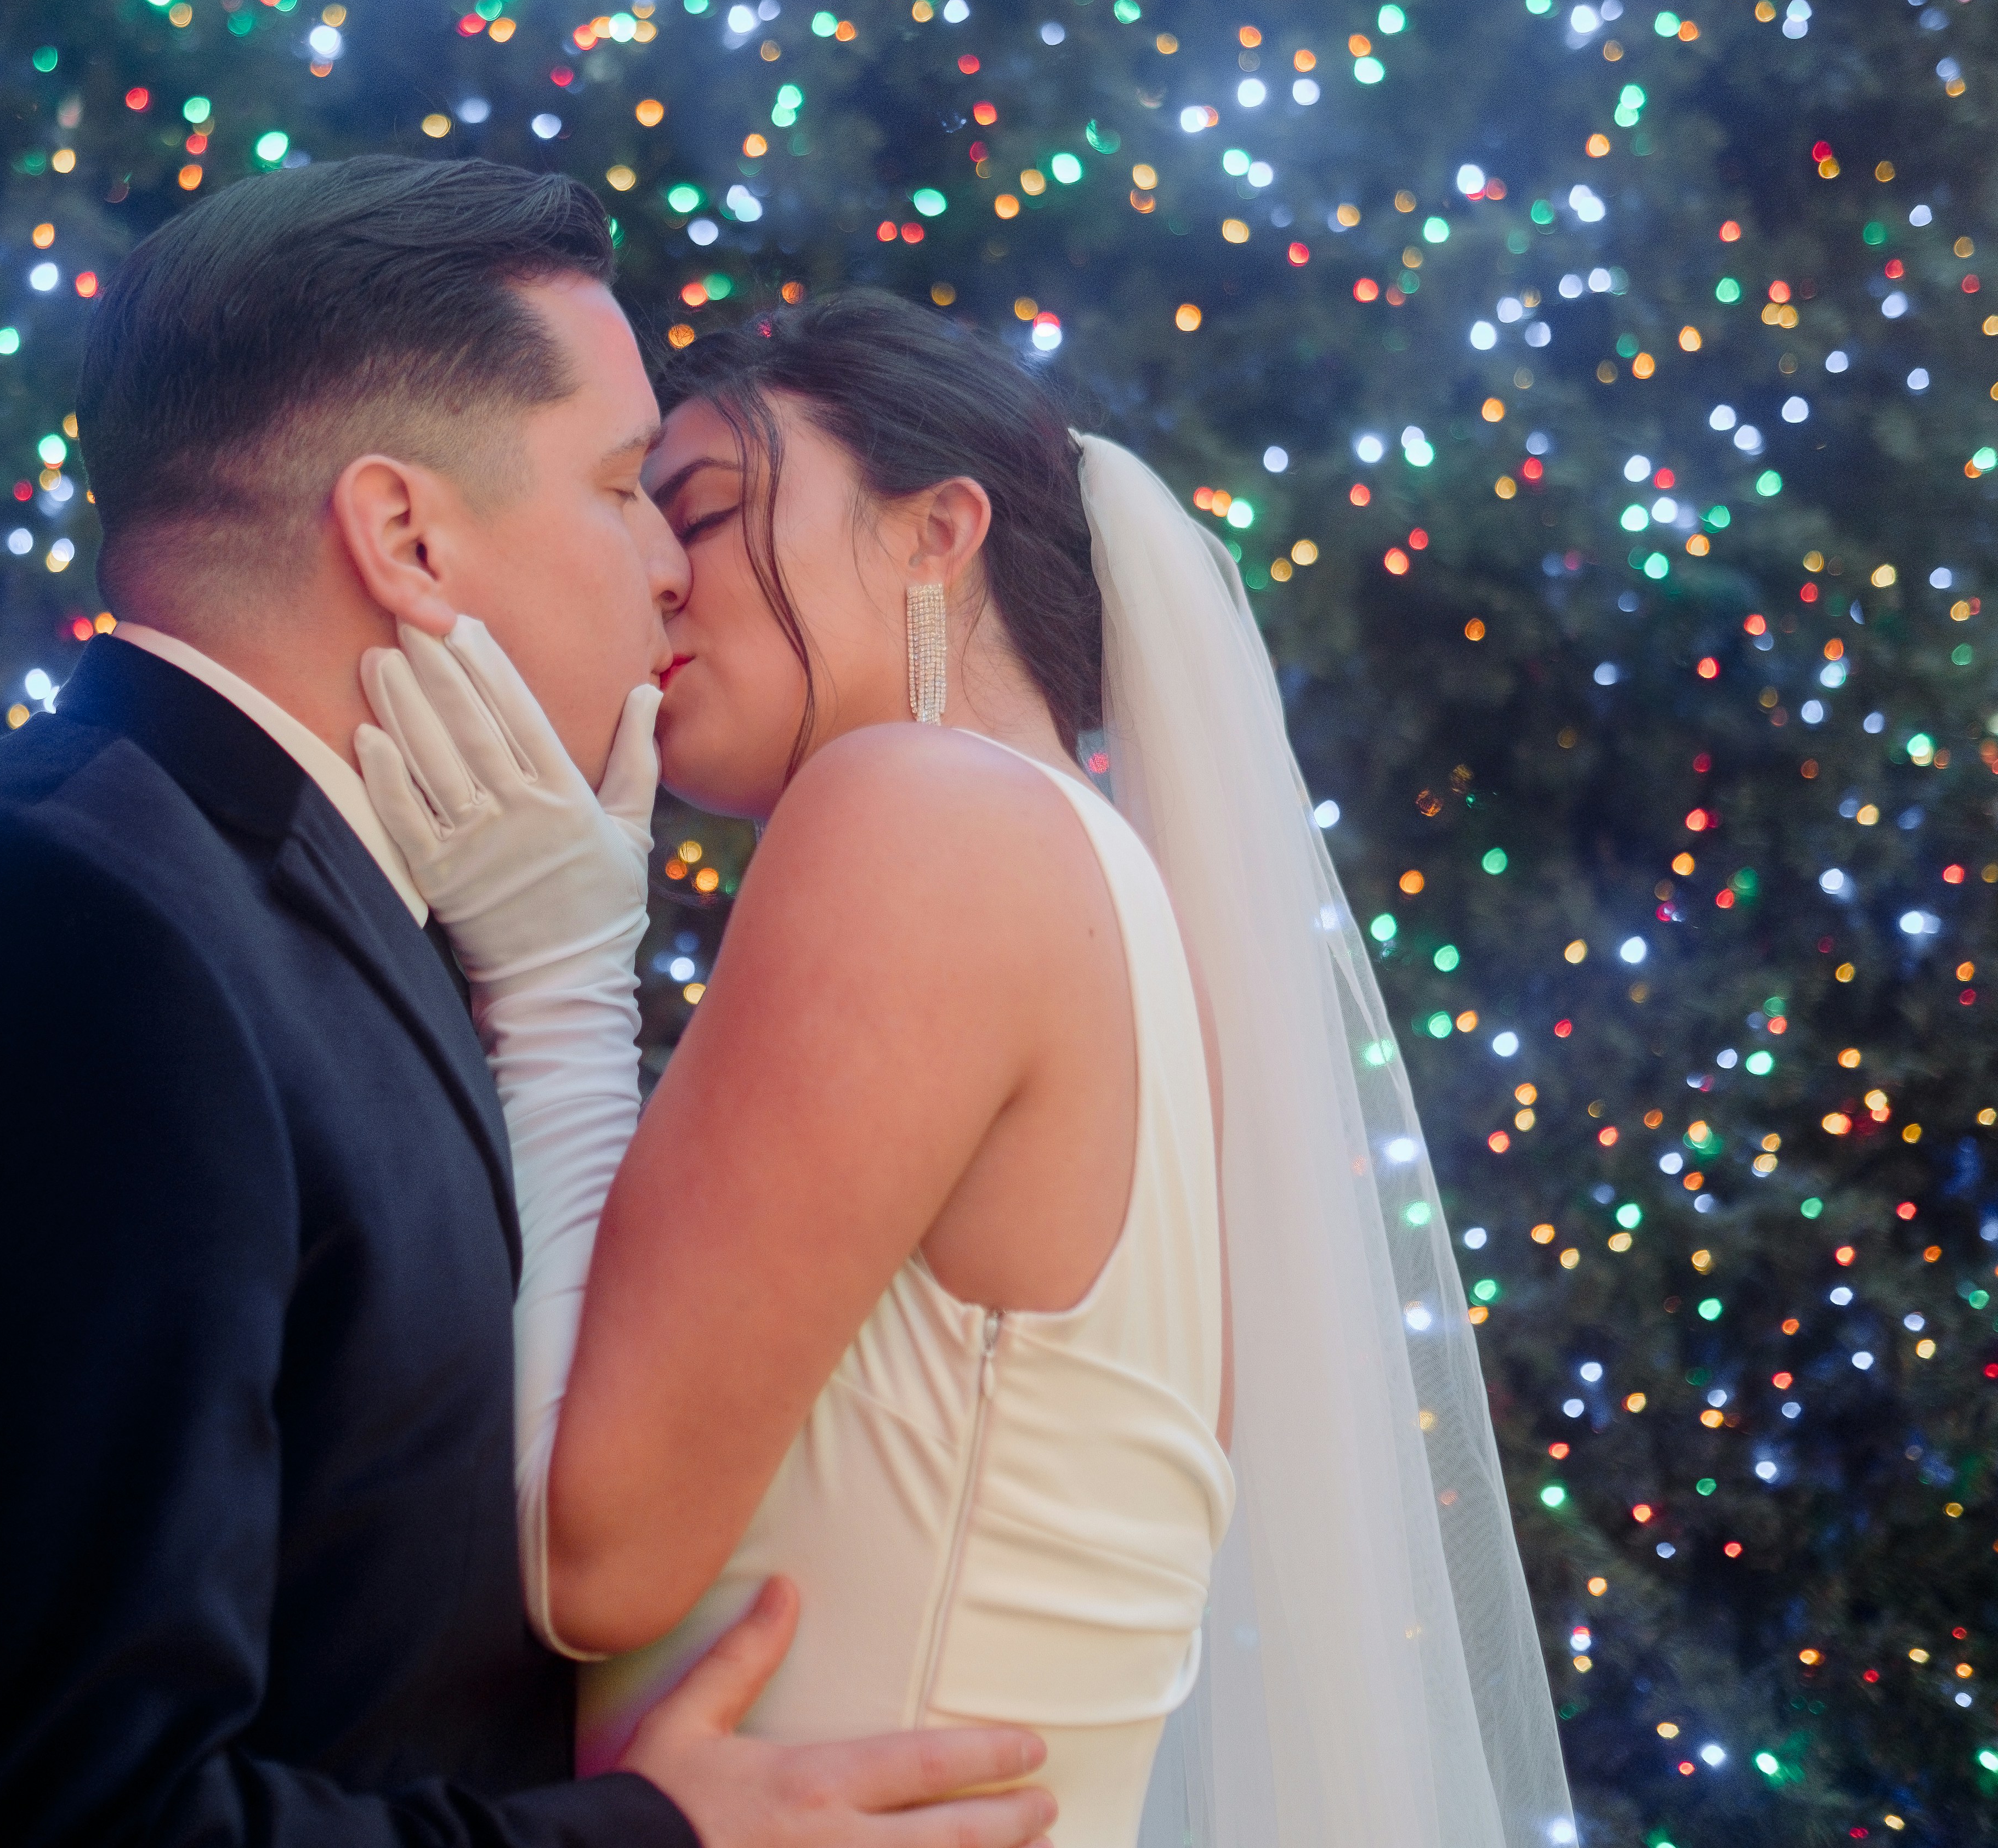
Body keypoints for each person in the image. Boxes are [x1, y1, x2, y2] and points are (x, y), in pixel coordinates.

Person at [0, 164, 1059, 1848]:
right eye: (625, 492)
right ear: (403, 535)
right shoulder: (44, 941)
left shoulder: (286, 913)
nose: (671, 575)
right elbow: (42, 1815)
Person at [356, 290, 1579, 1848]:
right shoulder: (1101, 890)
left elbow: (591, 1563)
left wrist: (558, 979)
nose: (654, 575)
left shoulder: (921, 815)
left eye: (707, 511)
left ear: (938, 534)